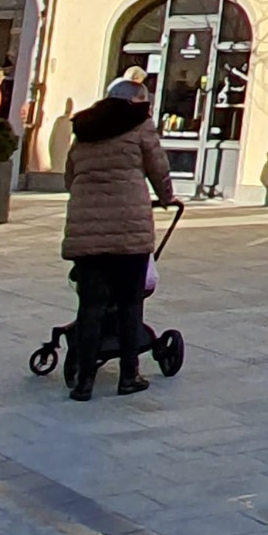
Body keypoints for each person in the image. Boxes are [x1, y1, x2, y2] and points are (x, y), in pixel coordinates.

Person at [63, 62, 177, 400]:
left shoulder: (84, 128)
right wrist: (167, 197)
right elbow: (158, 166)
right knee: (130, 303)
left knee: (91, 305)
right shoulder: (140, 125)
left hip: (86, 229)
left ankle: (84, 380)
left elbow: (70, 177)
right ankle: (129, 375)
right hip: (129, 230)